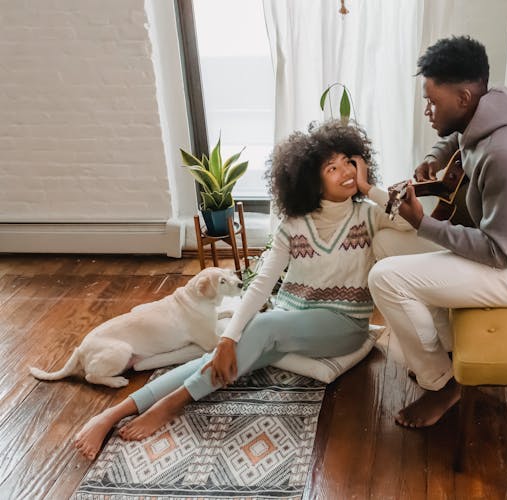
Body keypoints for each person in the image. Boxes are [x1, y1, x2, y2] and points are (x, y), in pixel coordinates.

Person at [74, 120, 413, 459]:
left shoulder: (368, 214)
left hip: (343, 326)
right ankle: (113, 413)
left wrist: (370, 188)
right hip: (290, 322)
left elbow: (408, 219)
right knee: (217, 357)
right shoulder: (293, 225)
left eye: (349, 162)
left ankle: (170, 405)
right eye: (332, 167)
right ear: (311, 179)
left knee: (260, 328)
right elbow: (262, 284)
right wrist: (227, 340)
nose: (346, 172)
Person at [368, 36, 507, 428]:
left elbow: (499, 253)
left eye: (433, 102)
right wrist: (434, 158)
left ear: (463, 97)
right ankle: (444, 347)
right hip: (505, 248)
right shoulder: (486, 106)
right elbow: (456, 134)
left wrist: (423, 223)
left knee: (384, 279)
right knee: (384, 243)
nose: (427, 111)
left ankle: (442, 384)